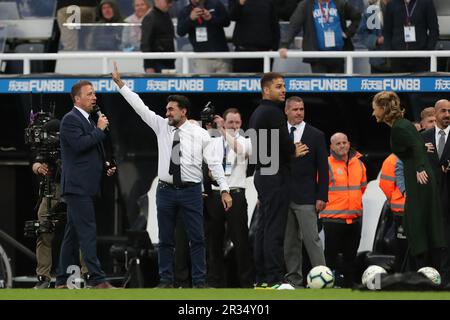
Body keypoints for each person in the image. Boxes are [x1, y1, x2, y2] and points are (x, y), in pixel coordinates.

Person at [112, 62, 232, 288]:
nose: (167, 113)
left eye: (171, 109)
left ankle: (199, 282)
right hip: (166, 191)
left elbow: (215, 164)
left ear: (184, 111)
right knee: (165, 239)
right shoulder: (161, 126)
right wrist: (121, 85)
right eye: (166, 109)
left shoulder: (200, 134)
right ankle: (166, 281)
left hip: (191, 191)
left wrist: (224, 190)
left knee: (197, 239)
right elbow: (140, 107)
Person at [372, 91, 445, 270]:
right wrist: (422, 145)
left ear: (383, 108)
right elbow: (416, 143)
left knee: (417, 225)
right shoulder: (402, 125)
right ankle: (421, 269)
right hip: (416, 178)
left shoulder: (400, 127)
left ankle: (423, 269)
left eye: (374, 109)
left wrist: (420, 167)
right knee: (419, 225)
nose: (373, 113)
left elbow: (414, 146)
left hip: (419, 179)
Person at [249, 72, 309, 289]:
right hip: (274, 175)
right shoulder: (274, 113)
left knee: (263, 228)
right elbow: (284, 144)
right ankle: (274, 278)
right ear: (266, 90)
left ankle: (262, 277)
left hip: (262, 173)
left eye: (284, 86)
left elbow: (259, 148)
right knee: (274, 228)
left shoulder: (257, 113)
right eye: (278, 86)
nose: (283, 90)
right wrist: (294, 150)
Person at [56, 80, 116, 289]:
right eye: (90, 94)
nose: (94, 97)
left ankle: (62, 280)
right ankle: (98, 279)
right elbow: (80, 145)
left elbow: (91, 149)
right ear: (77, 99)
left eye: (94, 94)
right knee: (88, 232)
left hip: (85, 186)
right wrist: (99, 130)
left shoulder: (89, 120)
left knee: (72, 235)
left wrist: (105, 163)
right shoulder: (70, 120)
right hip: (77, 186)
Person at [204, 108, 254, 288]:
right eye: (230, 122)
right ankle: (214, 281)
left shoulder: (247, 141)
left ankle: (246, 283)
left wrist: (223, 131)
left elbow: (239, 150)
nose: (234, 126)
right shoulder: (213, 142)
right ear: (224, 122)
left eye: (237, 123)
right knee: (214, 241)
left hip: (236, 194)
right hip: (216, 195)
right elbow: (208, 166)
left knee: (241, 240)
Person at [283, 96, 328, 288]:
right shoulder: (279, 134)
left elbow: (323, 169)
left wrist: (321, 196)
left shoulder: (316, 135)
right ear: (286, 111)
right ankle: (294, 280)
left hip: (307, 197)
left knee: (312, 240)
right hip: (283, 196)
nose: (299, 113)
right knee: (289, 242)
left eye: (301, 109)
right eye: (295, 109)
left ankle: (324, 278)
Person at [319, 133, 366, 287]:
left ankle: (349, 285)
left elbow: (362, 188)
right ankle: (327, 284)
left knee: (351, 256)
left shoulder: (359, 164)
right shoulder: (325, 164)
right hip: (333, 218)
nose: (342, 146)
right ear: (331, 147)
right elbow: (319, 188)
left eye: (344, 142)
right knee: (330, 255)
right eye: (337, 143)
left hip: (354, 217)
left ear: (349, 143)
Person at [278, 0, 361, 73]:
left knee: (338, 88)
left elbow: (357, 17)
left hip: (338, 54)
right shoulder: (305, 5)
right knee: (320, 89)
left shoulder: (339, 3)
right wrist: (284, 45)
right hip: (317, 57)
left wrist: (348, 33)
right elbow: (294, 26)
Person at [421, 99, 450, 285]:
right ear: (436, 113)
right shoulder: (423, 138)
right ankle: (428, 279)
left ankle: (447, 281)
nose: (447, 115)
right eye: (443, 111)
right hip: (429, 201)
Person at [383, 0, 439, 73]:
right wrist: (390, 52)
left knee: (421, 83)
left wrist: (428, 51)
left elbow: (434, 29)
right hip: (398, 58)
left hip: (421, 57)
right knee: (400, 83)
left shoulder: (426, 3)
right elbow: (387, 31)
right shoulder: (392, 4)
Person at [177, 0, 231, 73]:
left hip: (221, 56)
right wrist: (190, 19)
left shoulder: (216, 4)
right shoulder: (185, 11)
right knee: (204, 83)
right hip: (202, 58)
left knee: (223, 83)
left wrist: (211, 18)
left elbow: (227, 22)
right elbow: (180, 32)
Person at [228, 0, 280, 73]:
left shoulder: (269, 2)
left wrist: (274, 49)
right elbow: (231, 17)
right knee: (242, 81)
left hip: (264, 52)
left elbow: (274, 25)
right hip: (243, 51)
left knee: (264, 82)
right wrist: (239, 4)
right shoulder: (238, 1)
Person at [379, 153, 408, 271]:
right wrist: (395, 199)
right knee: (403, 250)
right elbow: (386, 185)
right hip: (402, 210)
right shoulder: (393, 160)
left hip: (406, 209)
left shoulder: (393, 159)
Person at [140, 0, 175, 73]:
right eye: (167, 1)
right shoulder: (150, 18)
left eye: (170, 2)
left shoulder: (166, 15)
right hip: (156, 62)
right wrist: (149, 66)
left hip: (169, 61)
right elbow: (145, 43)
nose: (170, 4)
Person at [357, 0, 391, 73]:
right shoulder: (371, 11)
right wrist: (376, 40)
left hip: (398, 61)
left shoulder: (402, 9)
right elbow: (362, 34)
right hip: (377, 62)